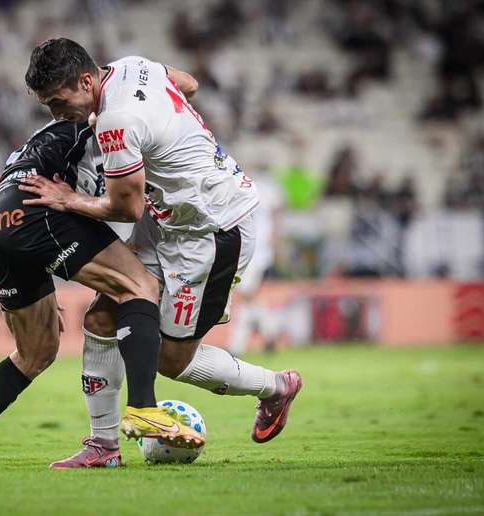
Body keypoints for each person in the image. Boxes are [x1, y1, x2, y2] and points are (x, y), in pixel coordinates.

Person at [19, 38, 303, 469]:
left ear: (84, 80)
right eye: (49, 108)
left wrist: (67, 199)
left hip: (214, 230)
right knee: (101, 317)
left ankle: (275, 387)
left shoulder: (116, 120)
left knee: (170, 359)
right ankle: (103, 446)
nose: (58, 116)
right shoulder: (131, 65)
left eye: (59, 103)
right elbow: (187, 83)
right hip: (171, 216)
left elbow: (124, 207)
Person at [0, 119, 203, 470]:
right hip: (34, 212)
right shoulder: (105, 122)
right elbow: (124, 206)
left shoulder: (49, 138)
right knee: (139, 285)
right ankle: (144, 408)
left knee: (34, 353)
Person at [229, 163, 285, 355]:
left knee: (246, 296)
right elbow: (278, 215)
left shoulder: (245, 187)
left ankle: (237, 345)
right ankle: (269, 333)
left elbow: (276, 216)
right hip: (254, 249)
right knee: (248, 296)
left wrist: (274, 243)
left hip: (256, 250)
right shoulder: (263, 189)